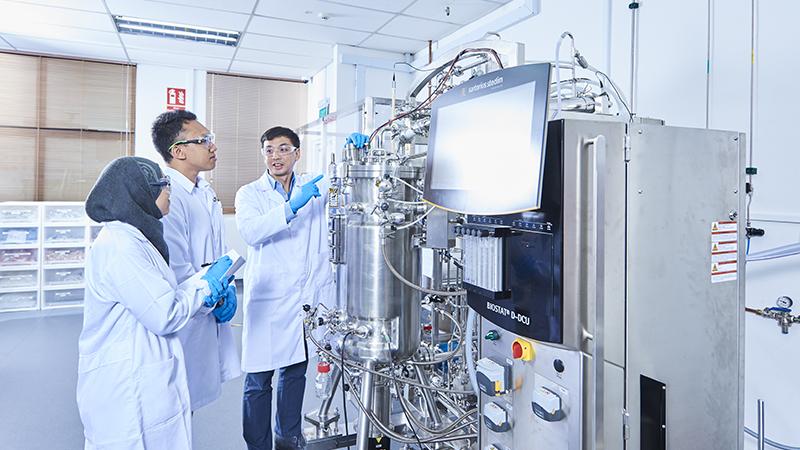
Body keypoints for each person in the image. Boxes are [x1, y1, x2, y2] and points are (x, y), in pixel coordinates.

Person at [76, 156, 236, 449]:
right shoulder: (121, 247)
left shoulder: (138, 237)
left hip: (145, 366)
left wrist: (205, 279)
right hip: (127, 381)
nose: (169, 191)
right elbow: (164, 314)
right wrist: (205, 288)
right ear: (140, 192)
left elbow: (162, 293)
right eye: (163, 185)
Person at [235, 126, 334, 450]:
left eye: (283, 149)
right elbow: (251, 231)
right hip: (269, 298)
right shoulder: (250, 193)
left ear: (297, 153)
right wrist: (290, 208)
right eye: (269, 150)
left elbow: (342, 180)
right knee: (258, 380)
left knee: (294, 373)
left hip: (302, 298)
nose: (275, 156)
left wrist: (355, 149)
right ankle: (258, 444)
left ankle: (288, 437)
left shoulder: (313, 186)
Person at [152, 110, 241, 412]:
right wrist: (210, 295)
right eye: (204, 140)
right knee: (174, 403)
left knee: (188, 403)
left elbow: (218, 249)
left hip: (206, 305)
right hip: (186, 312)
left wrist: (226, 287)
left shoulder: (204, 190)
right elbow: (176, 268)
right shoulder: (168, 195)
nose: (213, 146)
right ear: (178, 151)